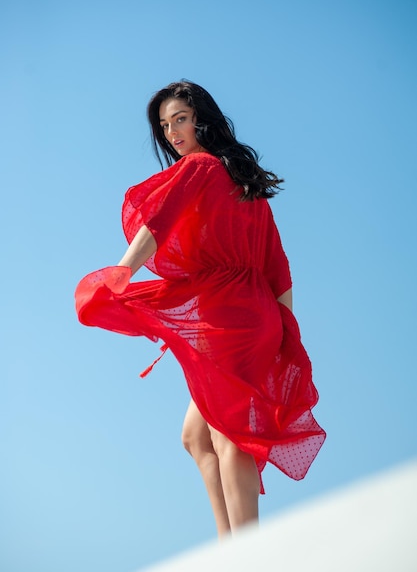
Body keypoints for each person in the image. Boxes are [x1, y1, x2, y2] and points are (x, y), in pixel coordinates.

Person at [75, 80, 326, 537]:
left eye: (181, 119)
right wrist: (285, 332)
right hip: (256, 315)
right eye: (165, 125)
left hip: (231, 314)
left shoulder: (201, 167)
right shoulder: (247, 187)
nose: (173, 132)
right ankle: (229, 544)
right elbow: (280, 269)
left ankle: (245, 551)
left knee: (229, 435)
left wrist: (122, 273)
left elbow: (157, 223)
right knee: (196, 436)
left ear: (202, 119)